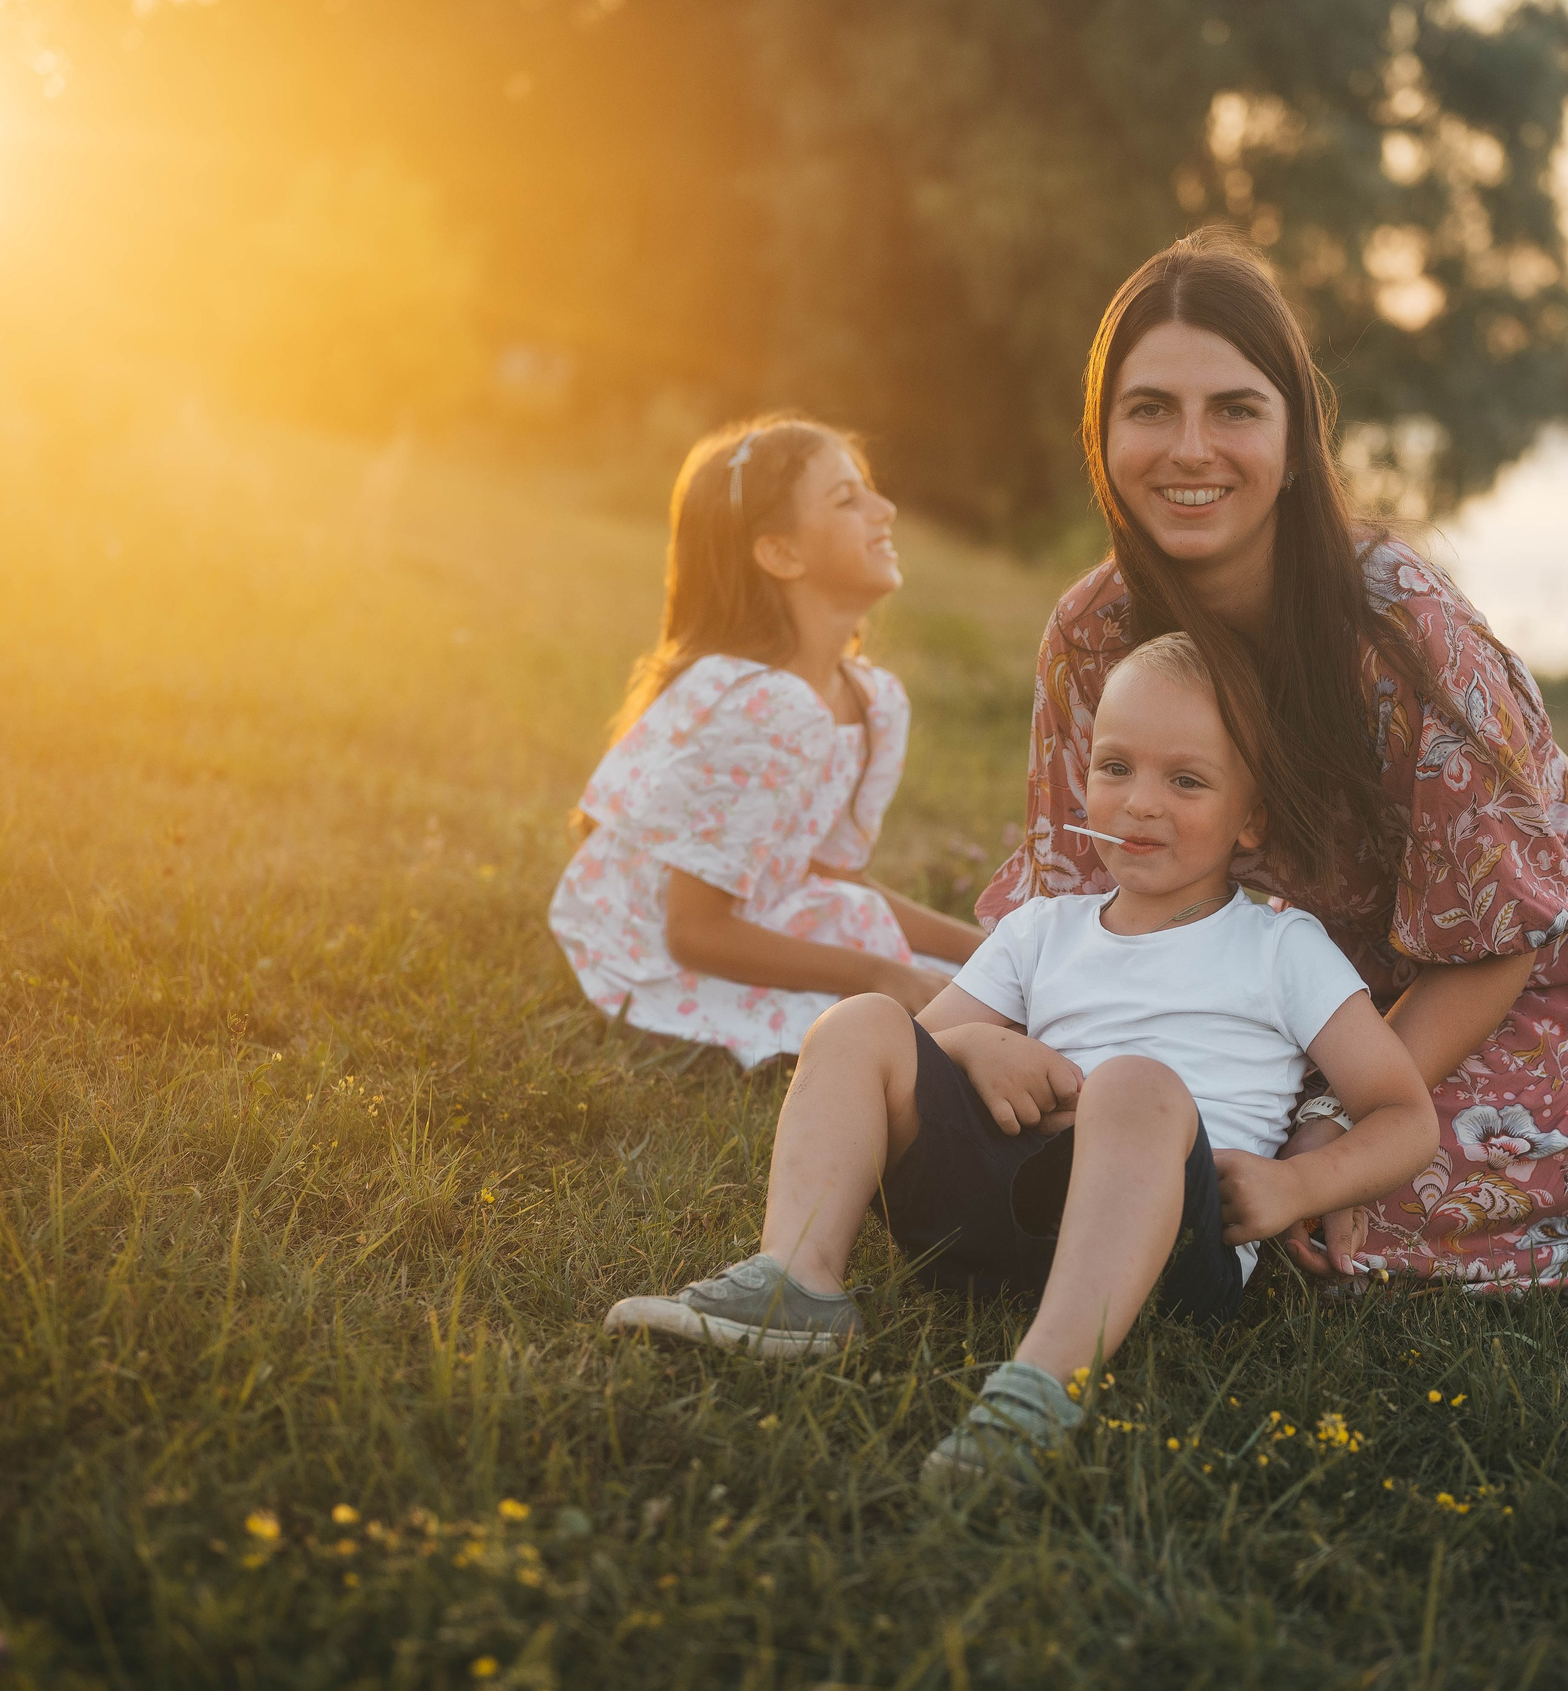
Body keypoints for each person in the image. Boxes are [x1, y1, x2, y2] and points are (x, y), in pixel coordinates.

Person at [979, 230, 1568, 1293]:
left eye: (1235, 410)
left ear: (1298, 438)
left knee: (1291, 1217)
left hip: (1542, 988)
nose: (1189, 449)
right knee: (1124, 1169)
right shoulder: (1093, 634)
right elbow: (1082, 898)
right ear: (1102, 431)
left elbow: (1498, 941)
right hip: (1305, 989)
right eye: (1150, 409)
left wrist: (1328, 1123)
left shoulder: (1401, 629)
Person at [603, 632, 1443, 1483]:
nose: (1139, 803)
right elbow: (914, 1056)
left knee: (1135, 1083)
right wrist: (977, 1045)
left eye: (1186, 781)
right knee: (863, 1022)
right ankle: (798, 1276)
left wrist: (1297, 1186)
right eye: (1116, 767)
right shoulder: (1043, 928)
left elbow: (1405, 1115)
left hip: (1167, 1246)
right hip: (994, 1206)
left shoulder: (1281, 947)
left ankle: (1043, 1380)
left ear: (1251, 817)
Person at [547, 417, 982, 1067]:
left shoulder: (872, 701)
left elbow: (834, 876)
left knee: (970, 991)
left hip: (771, 916)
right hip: (664, 955)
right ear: (781, 554)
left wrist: (985, 949)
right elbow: (693, 931)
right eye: (848, 499)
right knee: (915, 1033)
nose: (885, 509)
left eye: (869, 490)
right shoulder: (762, 708)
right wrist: (881, 975)